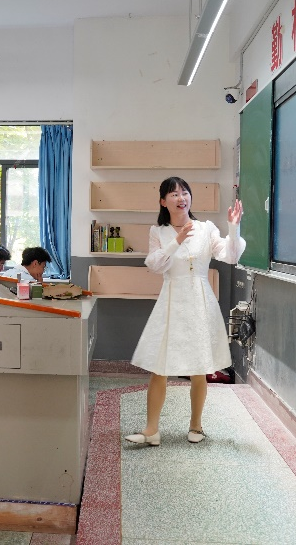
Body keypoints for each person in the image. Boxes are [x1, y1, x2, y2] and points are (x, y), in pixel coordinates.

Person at [125, 177, 245, 446]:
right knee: (159, 367)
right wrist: (176, 240)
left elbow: (231, 255)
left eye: (185, 193)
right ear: (163, 201)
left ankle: (196, 426)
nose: (181, 198)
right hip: (171, 299)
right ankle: (151, 431)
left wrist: (233, 227)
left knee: (199, 367)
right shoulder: (158, 231)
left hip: (200, 299)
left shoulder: (206, 228)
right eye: (174, 194)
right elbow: (155, 265)